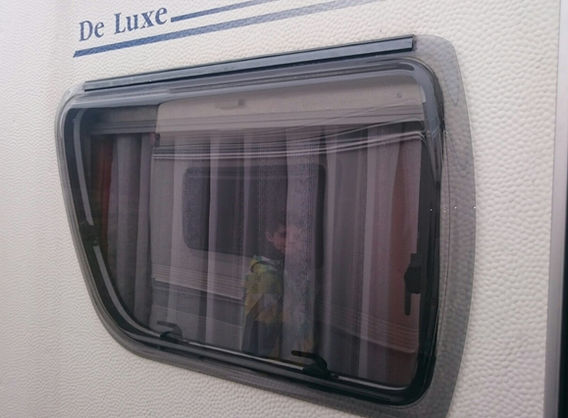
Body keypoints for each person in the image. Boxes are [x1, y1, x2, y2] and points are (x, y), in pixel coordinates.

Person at [241, 216, 286, 358]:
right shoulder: (266, 274)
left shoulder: (276, 265)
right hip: (264, 338)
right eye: (283, 235)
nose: (288, 241)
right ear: (269, 236)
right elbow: (253, 315)